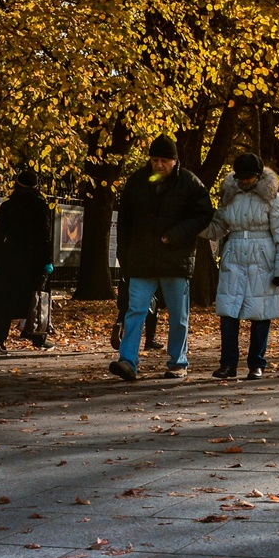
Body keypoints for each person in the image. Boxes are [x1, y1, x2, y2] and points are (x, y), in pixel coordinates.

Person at [109, 134, 215, 382]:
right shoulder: (137, 181)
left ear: (175, 161)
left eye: (164, 161)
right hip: (141, 260)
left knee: (178, 315)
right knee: (134, 311)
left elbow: (204, 215)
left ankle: (178, 362)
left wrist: (175, 235)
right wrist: (124, 256)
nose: (159, 165)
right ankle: (127, 362)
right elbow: (124, 221)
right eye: (155, 160)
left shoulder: (189, 183)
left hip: (175, 260)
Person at [205, 152, 279, 379]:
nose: (245, 182)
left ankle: (256, 363)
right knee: (228, 312)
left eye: (249, 178)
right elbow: (217, 228)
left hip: (262, 258)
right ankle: (228, 364)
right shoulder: (229, 197)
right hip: (234, 255)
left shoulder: (273, 199)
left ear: (258, 176)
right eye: (242, 178)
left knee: (261, 313)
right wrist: (194, 224)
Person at [0, 169, 54, 352]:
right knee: (36, 299)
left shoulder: (8, 206)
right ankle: (38, 338)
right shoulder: (40, 205)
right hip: (33, 259)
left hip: (10, 258)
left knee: (6, 300)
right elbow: (45, 236)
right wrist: (47, 261)